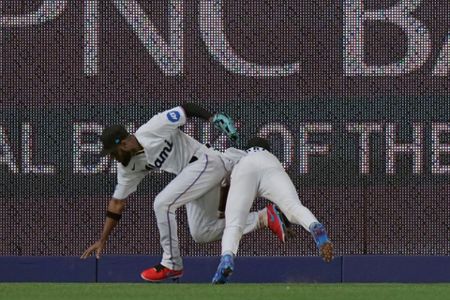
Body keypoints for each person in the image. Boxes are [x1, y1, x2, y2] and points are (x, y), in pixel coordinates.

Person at [80, 103, 288, 282]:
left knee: (162, 203)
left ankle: (171, 263)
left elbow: (186, 109)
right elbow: (117, 204)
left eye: (113, 153)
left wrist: (212, 117)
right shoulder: (128, 167)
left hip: (205, 161)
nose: (112, 158)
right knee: (202, 233)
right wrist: (103, 239)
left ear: (124, 143)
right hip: (196, 178)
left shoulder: (153, 128)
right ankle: (263, 218)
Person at [212, 137, 334, 284]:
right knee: (293, 207)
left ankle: (227, 259)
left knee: (234, 224)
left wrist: (221, 209)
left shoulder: (241, 155)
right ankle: (315, 226)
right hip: (272, 167)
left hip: (245, 167)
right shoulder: (271, 157)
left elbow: (224, 183)